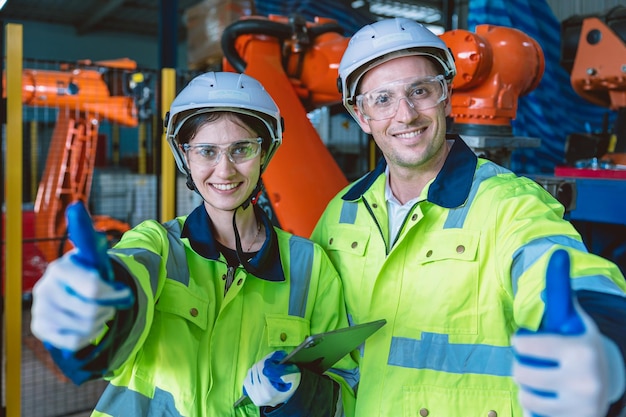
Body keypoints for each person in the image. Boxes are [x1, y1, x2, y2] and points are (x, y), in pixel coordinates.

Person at [310, 17, 626, 417]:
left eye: (420, 91)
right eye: (383, 99)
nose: (405, 115)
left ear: (446, 96)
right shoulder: (341, 215)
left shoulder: (510, 204)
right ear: (360, 115)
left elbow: (577, 278)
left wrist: (600, 346)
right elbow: (326, 348)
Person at [30, 71, 357, 417]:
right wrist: (96, 295)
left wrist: (298, 395)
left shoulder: (311, 266)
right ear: (185, 157)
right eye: (206, 151)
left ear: (265, 154)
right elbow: (130, 274)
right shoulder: (157, 244)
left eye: (241, 149)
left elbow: (344, 391)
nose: (224, 170)